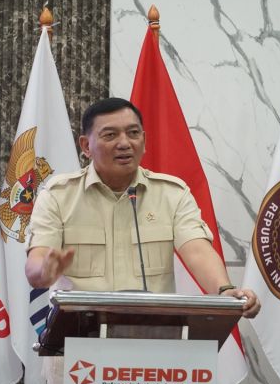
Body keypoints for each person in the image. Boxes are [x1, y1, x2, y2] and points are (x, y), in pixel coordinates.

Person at [25, 97, 260, 319]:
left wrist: (224, 291)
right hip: (77, 335)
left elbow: (197, 251)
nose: (124, 143)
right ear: (86, 146)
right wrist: (43, 271)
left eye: (133, 133)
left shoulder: (172, 194)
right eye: (110, 135)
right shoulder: (58, 196)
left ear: (144, 141)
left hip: (152, 334)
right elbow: (37, 260)